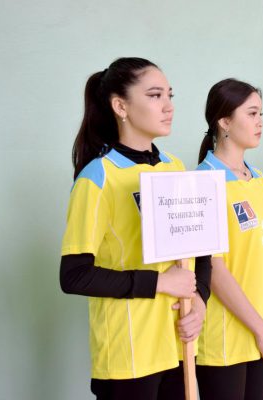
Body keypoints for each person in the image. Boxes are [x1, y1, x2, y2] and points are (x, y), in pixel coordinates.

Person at [60, 57, 211, 400]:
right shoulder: (98, 177)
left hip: (179, 346)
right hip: (128, 355)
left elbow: (201, 250)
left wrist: (200, 300)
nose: (168, 106)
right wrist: (160, 282)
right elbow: (74, 275)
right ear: (120, 106)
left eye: (170, 95)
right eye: (155, 95)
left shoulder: (175, 167)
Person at [195, 78, 263, 400]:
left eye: (260, 113)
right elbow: (213, 269)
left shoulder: (259, 181)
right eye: (251, 114)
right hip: (226, 337)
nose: (260, 121)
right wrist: (260, 330)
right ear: (224, 121)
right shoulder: (203, 182)